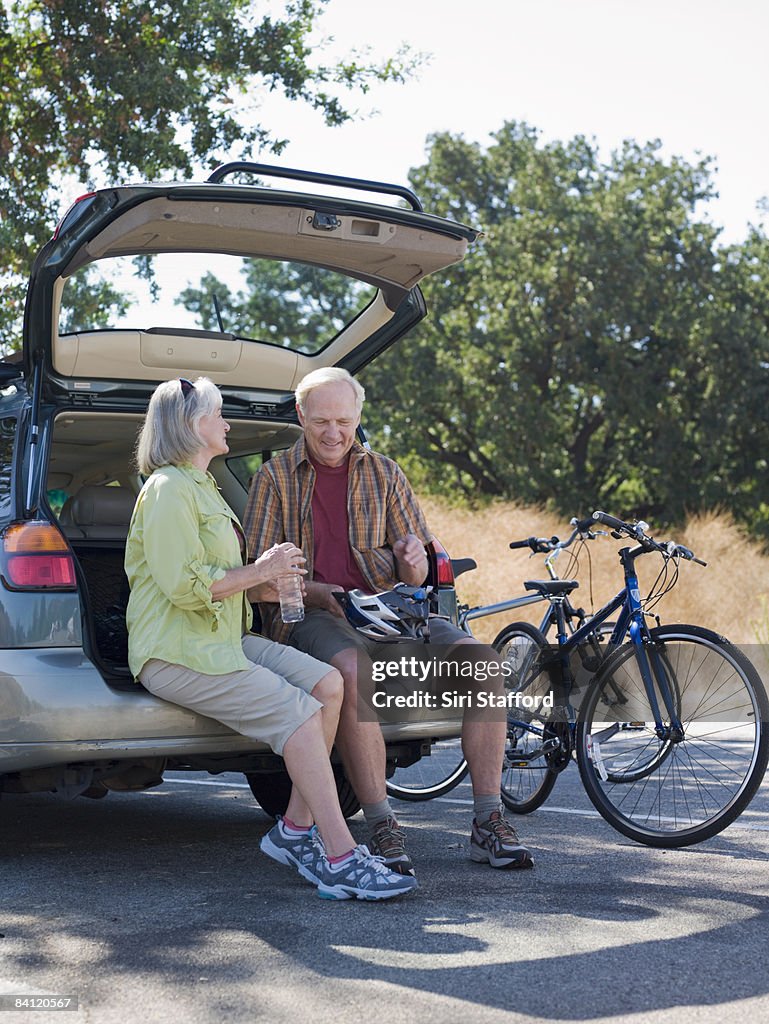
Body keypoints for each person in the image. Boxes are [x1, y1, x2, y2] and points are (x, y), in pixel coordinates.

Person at [124, 376, 417, 901]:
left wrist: (269, 575)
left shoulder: (203, 486)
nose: (226, 423)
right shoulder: (168, 490)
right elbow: (187, 587)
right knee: (302, 714)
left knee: (328, 685)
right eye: (217, 415)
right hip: (177, 651)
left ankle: (293, 832)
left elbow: (224, 578)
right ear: (193, 426)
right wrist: (262, 570)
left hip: (221, 640)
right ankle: (340, 858)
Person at [243, 367, 534, 878]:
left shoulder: (386, 473)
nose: (334, 433)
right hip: (312, 614)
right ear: (300, 416)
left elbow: (417, 568)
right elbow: (258, 582)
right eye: (322, 422)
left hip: (394, 610)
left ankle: (489, 821)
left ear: (358, 418)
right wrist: (320, 592)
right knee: (353, 672)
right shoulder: (273, 479)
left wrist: (413, 564)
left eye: (344, 422)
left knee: (485, 665)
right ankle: (381, 825)